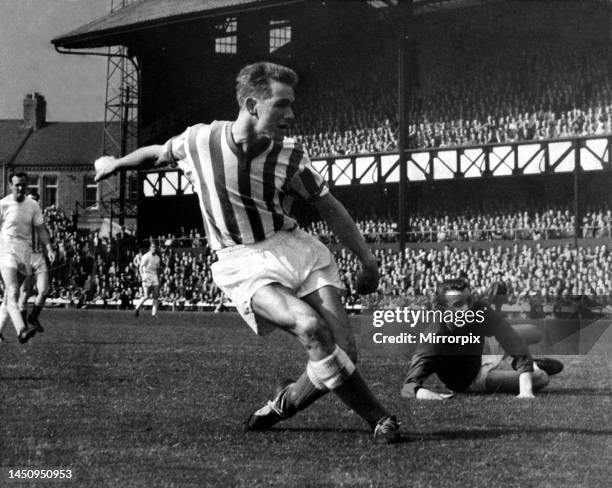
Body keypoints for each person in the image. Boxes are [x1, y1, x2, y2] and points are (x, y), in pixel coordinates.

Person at [95, 61, 401, 443]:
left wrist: (367, 258)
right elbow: (157, 153)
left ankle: (282, 402)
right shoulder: (200, 141)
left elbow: (329, 206)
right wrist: (115, 163)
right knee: (309, 328)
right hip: (241, 259)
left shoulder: (289, 154)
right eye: (282, 104)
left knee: (345, 354)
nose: (291, 114)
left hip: (294, 247)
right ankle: (380, 418)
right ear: (253, 105)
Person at [400, 278, 562, 400]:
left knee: (534, 331)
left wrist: (525, 390)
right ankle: (530, 365)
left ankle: (519, 363)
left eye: (469, 300)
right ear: (442, 310)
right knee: (540, 378)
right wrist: (426, 394)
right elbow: (409, 385)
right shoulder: (435, 336)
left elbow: (511, 338)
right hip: (473, 377)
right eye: (458, 304)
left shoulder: (478, 308)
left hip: (485, 352)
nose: (467, 308)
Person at [0, 173, 55, 343]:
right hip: (7, 251)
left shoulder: (32, 205)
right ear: (10, 186)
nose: (20, 188)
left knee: (10, 297)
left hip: (25, 254)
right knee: (13, 291)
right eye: (17, 185)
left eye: (23, 185)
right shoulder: (3, 205)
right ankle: (21, 330)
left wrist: (49, 248)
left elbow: (40, 229)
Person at [17, 191, 51, 333]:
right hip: (25, 257)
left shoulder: (40, 217)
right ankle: (23, 325)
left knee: (43, 290)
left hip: (38, 257)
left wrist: (50, 249)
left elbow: (44, 234)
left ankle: (33, 317)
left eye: (36, 200)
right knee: (24, 292)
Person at [134, 241, 161, 317]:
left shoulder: (158, 258)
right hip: (146, 275)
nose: (154, 248)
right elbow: (140, 267)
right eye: (152, 247)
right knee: (146, 296)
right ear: (150, 248)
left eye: (155, 247)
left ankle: (154, 313)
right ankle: (137, 308)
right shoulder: (146, 256)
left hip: (154, 276)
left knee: (156, 296)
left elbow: (158, 268)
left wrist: (158, 278)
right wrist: (142, 276)